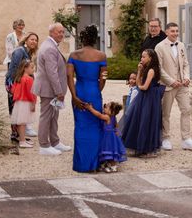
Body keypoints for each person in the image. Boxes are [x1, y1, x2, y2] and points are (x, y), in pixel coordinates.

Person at [66, 24, 107, 171]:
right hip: (94, 92)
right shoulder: (101, 56)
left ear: (82, 38)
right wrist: (97, 90)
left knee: (80, 126)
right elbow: (104, 78)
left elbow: (69, 76)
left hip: (80, 90)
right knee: (95, 126)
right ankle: (94, 163)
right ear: (95, 38)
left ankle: (81, 164)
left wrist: (74, 96)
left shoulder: (74, 55)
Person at [155, 22, 192, 151]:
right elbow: (159, 68)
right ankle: (166, 138)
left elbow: (185, 63)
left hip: (182, 85)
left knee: (186, 110)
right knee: (166, 113)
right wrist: (170, 81)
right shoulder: (159, 47)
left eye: (176, 31)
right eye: (172, 31)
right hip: (168, 85)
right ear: (166, 32)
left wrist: (186, 77)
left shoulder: (181, 45)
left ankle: (186, 139)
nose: (175, 33)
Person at [33, 22, 71, 156]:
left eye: (62, 32)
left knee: (54, 116)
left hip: (52, 89)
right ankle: (44, 145)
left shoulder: (51, 45)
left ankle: (55, 142)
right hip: (49, 89)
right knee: (46, 116)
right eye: (58, 32)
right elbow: (52, 72)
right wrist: (59, 91)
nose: (61, 34)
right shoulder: (49, 48)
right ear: (51, 33)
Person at [122, 49, 165, 157]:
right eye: (141, 57)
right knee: (138, 119)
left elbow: (144, 86)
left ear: (150, 58)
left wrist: (140, 87)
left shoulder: (152, 70)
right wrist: (139, 71)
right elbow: (138, 83)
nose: (142, 59)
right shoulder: (146, 69)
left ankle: (146, 147)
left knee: (146, 120)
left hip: (150, 97)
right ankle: (138, 145)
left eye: (144, 57)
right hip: (144, 96)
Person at [6, 33, 40, 141]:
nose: (34, 41)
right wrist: (15, 86)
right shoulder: (19, 51)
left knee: (20, 109)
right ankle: (15, 135)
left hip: (20, 83)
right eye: (32, 39)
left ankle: (20, 135)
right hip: (14, 83)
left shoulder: (28, 52)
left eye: (36, 40)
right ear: (26, 40)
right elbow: (13, 70)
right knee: (15, 109)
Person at [93, 101, 127, 173]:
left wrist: (90, 109)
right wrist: (116, 131)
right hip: (112, 137)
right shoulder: (113, 117)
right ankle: (109, 165)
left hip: (107, 138)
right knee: (112, 152)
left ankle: (113, 166)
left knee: (108, 151)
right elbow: (116, 125)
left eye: (106, 107)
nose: (104, 107)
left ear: (112, 112)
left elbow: (99, 115)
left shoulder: (107, 117)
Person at [10, 61, 37, 149]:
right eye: (32, 68)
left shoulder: (18, 78)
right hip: (26, 102)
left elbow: (13, 91)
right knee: (23, 122)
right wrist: (33, 103)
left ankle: (23, 140)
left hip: (18, 103)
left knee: (21, 122)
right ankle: (22, 141)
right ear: (25, 68)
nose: (33, 70)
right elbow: (32, 93)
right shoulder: (29, 79)